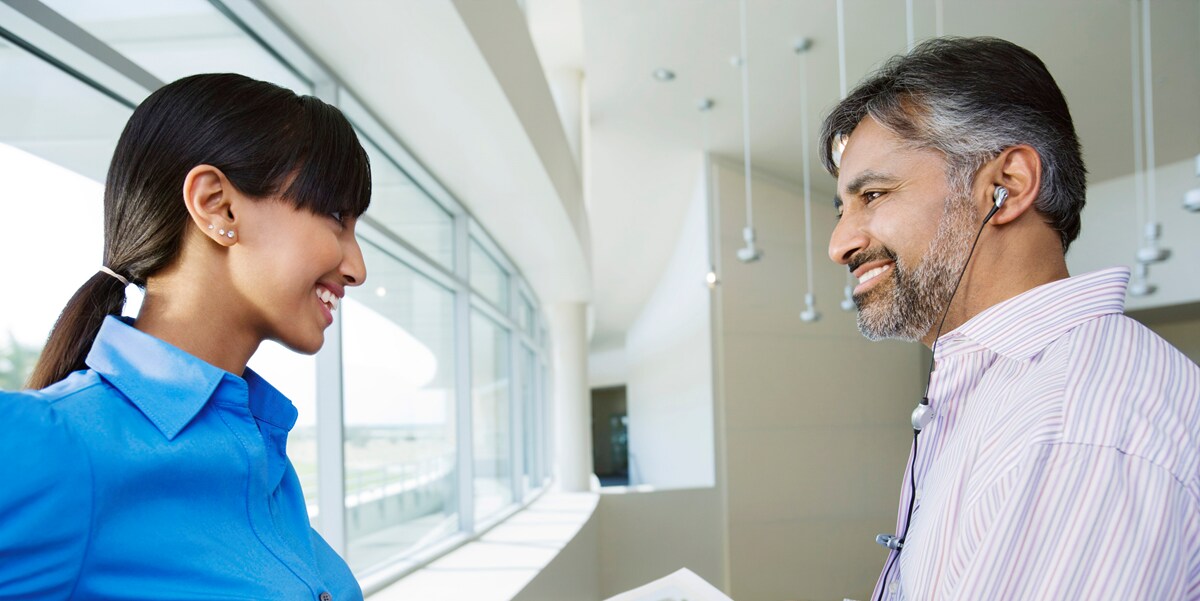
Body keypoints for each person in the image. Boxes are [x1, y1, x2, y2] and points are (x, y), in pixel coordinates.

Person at [820, 37, 1200, 600]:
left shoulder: (1076, 430)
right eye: (842, 208)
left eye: (873, 194)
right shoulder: (1007, 392)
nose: (839, 244)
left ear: (1008, 186)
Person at [0, 73, 371, 600]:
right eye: (336, 217)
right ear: (218, 205)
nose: (356, 267)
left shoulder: (265, 459)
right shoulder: (59, 449)